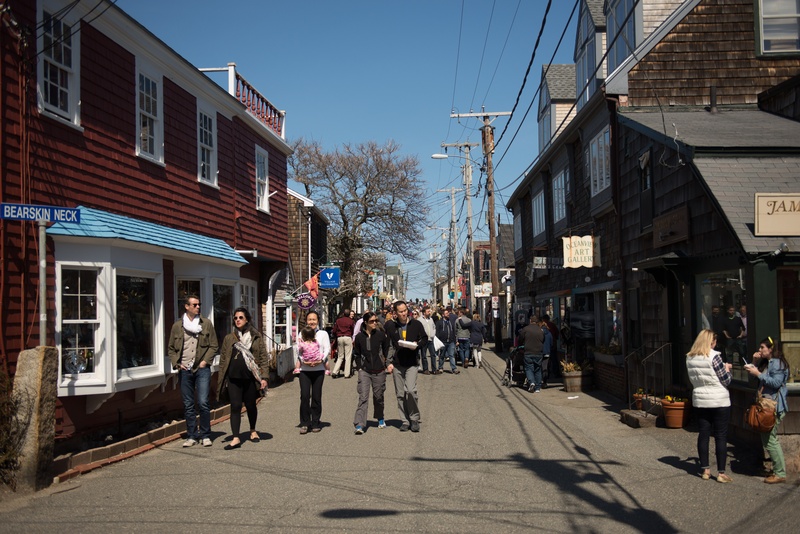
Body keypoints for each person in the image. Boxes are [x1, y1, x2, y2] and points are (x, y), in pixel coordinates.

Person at [168, 295, 219, 448]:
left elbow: (214, 346)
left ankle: (205, 435)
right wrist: (177, 364)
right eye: (195, 305)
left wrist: (205, 362)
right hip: (185, 369)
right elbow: (171, 348)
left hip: (201, 368)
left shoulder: (206, 324)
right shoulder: (177, 326)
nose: (198, 307)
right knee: (188, 404)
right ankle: (191, 435)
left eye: (199, 304)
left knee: (203, 402)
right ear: (187, 306)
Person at [218, 307, 269, 450]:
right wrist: (222, 378)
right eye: (235, 318)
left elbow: (263, 358)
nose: (238, 320)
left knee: (251, 405)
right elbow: (223, 359)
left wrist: (264, 377)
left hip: (250, 379)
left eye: (241, 317)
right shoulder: (230, 338)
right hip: (233, 379)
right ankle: (235, 437)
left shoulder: (256, 337)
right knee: (235, 406)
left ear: (247, 319)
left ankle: (253, 430)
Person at [686, 330, 733, 483]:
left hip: (700, 400)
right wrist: (727, 370)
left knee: (703, 434)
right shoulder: (714, 357)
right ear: (710, 342)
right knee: (720, 436)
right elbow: (726, 380)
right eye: (714, 341)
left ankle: (705, 469)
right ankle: (721, 473)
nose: (715, 344)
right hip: (719, 400)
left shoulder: (690, 358)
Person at [745, 336, 789, 484]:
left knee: (770, 441)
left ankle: (780, 473)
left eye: (762, 347)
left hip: (774, 406)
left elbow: (776, 383)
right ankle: (778, 469)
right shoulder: (767, 362)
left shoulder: (777, 364)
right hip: (765, 405)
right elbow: (755, 380)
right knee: (768, 439)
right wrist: (754, 363)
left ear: (770, 349)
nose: (760, 350)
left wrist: (758, 374)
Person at [384, 300, 428, 432]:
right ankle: (405, 420)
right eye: (401, 312)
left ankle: (414, 418)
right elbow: (388, 344)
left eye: (405, 311)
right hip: (397, 363)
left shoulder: (416, 324)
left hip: (412, 363)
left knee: (410, 390)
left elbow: (425, 338)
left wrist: (417, 345)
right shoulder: (391, 326)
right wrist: (388, 362)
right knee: (400, 394)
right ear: (395, 313)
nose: (404, 314)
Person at [352, 311, 391, 434]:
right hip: (365, 370)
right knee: (363, 396)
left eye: (375, 321)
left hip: (379, 371)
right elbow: (357, 354)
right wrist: (359, 367)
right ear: (365, 323)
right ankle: (359, 424)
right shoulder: (359, 337)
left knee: (378, 396)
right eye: (371, 321)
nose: (374, 323)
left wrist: (387, 364)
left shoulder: (380, 335)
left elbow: (386, 351)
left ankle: (380, 418)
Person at [296, 310, 331, 434]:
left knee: (316, 396)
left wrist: (320, 360)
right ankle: (305, 422)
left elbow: (327, 348)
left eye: (314, 319)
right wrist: (304, 361)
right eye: (309, 319)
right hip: (304, 370)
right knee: (305, 396)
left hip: (319, 369)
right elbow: (298, 350)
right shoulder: (302, 333)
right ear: (306, 321)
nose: (312, 322)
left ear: (318, 321)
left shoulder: (323, 334)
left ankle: (315, 421)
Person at [518, 315, 544, 393]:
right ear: (537, 322)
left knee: (529, 368)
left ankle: (531, 382)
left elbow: (520, 339)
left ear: (530, 321)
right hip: (538, 352)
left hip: (528, 351)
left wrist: (521, 346)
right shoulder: (541, 330)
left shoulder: (525, 329)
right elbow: (543, 340)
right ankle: (538, 387)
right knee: (538, 369)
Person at [332, 309, 355, 378]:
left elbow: (334, 330)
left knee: (340, 356)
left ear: (343, 314)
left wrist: (335, 336)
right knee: (348, 356)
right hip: (348, 337)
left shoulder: (338, 320)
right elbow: (352, 330)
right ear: (349, 314)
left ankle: (335, 371)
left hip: (340, 337)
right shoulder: (351, 321)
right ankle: (346, 374)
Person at [435, 307, 458, 374]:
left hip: (451, 341)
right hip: (442, 341)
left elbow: (453, 331)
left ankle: (454, 368)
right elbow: (437, 332)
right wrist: (438, 341)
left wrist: (455, 340)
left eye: (448, 313)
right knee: (442, 355)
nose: (448, 314)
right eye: (446, 313)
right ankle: (440, 367)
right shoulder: (439, 322)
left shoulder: (450, 322)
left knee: (451, 355)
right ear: (443, 315)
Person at [418, 306, 437, 374]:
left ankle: (434, 369)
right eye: (428, 311)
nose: (429, 312)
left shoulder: (431, 319)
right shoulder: (419, 320)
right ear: (424, 312)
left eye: (430, 311)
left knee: (433, 355)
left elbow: (434, 327)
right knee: (424, 355)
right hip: (423, 340)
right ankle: (425, 369)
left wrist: (433, 334)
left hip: (430, 340)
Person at [539, 317, 554, 387]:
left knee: (539, 366)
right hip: (547, 352)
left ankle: (539, 380)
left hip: (540, 352)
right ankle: (545, 381)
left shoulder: (539, 333)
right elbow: (551, 343)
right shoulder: (549, 334)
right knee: (545, 367)